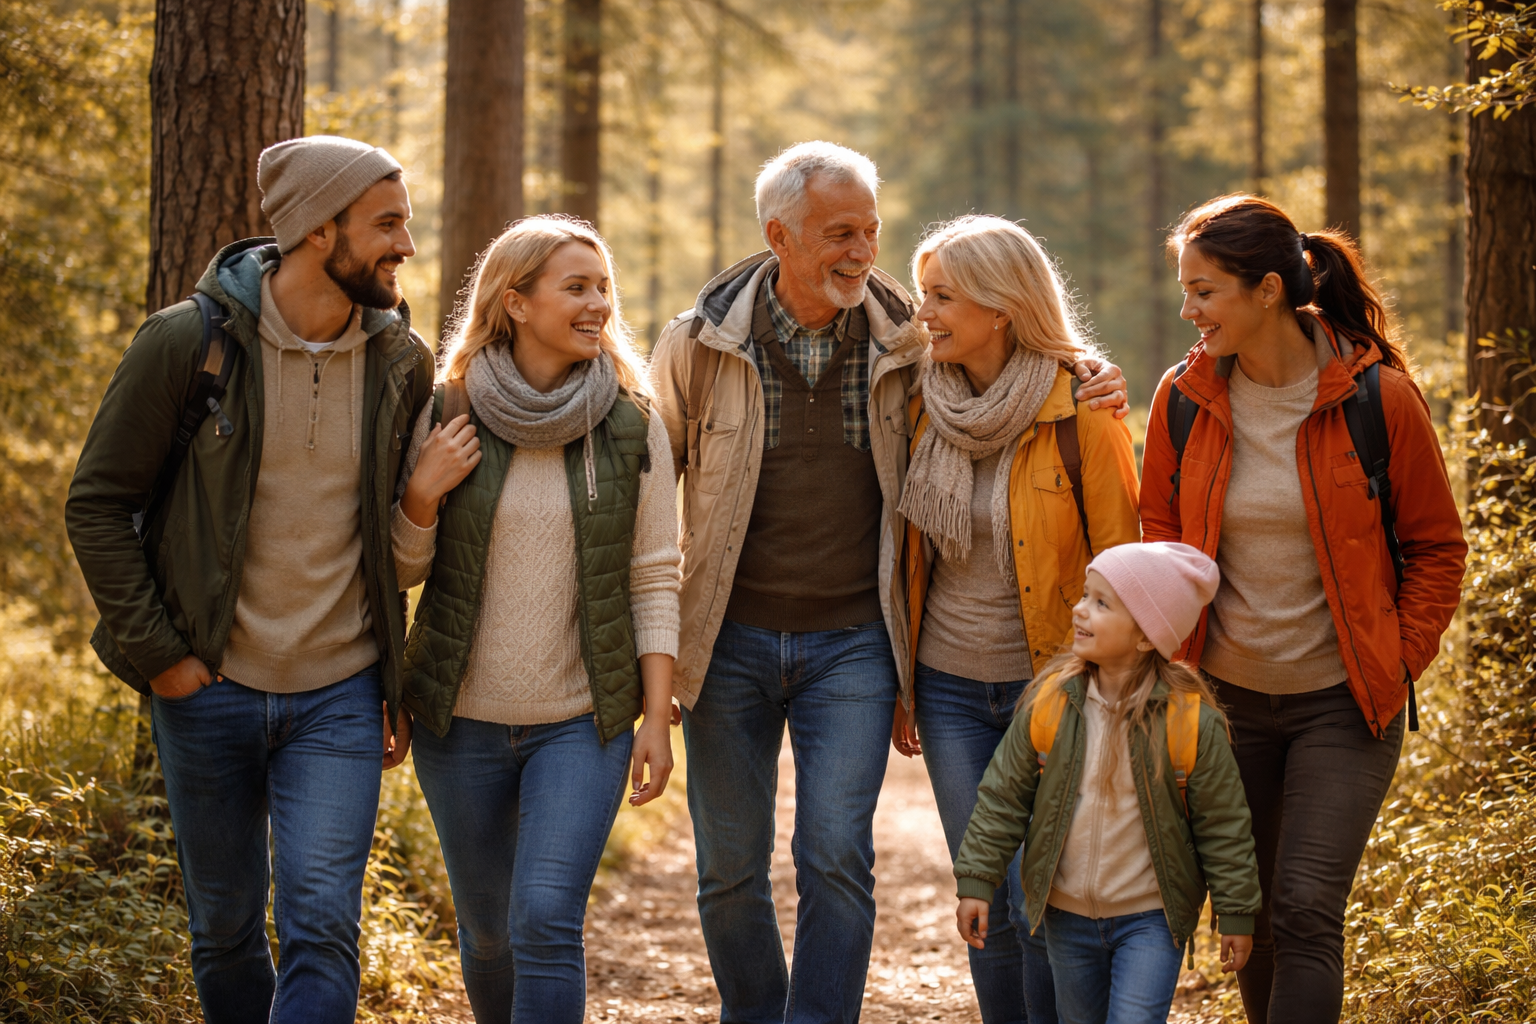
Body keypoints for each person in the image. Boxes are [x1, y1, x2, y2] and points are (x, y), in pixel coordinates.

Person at [650, 141, 1130, 1024]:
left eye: (871, 229)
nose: (862, 250)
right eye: (840, 232)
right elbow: (647, 493)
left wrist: (1091, 376)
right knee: (727, 870)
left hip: (855, 645)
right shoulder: (697, 345)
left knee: (836, 853)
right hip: (728, 641)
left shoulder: (910, 347)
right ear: (779, 235)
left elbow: (1017, 365)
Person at [66, 136, 430, 1023]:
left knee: (323, 924)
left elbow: (398, 543)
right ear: (317, 229)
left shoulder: (401, 364)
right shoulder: (185, 344)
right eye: (386, 225)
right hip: (206, 688)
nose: (407, 247)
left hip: (339, 696)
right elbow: (98, 505)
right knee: (225, 930)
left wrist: (391, 680)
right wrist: (165, 663)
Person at [1140, 194, 1468, 1024]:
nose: (1189, 311)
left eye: (1205, 290)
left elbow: (1437, 547)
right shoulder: (1183, 398)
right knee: (1249, 918)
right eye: (1186, 290)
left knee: (1306, 909)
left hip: (1343, 704)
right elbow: (1163, 531)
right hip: (1227, 705)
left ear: (1268, 292)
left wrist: (1398, 659)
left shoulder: (1378, 400)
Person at [391, 215, 681, 1024]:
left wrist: (656, 720)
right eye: (576, 287)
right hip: (460, 724)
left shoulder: (632, 423)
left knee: (546, 921)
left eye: (603, 288)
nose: (598, 304)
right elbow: (402, 573)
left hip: (580, 725)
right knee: (488, 934)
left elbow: (656, 576)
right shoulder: (447, 411)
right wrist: (420, 493)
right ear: (515, 302)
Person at [890, 215, 1142, 1024]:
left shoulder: (1084, 414)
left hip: (1053, 688)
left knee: (1046, 891)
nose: (923, 312)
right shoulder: (917, 401)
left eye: (942, 296)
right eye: (923, 292)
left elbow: (1122, 562)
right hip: (950, 688)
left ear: (1001, 308)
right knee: (986, 888)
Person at [953, 542, 1262, 1024]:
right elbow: (1002, 798)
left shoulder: (1189, 723)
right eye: (1084, 595)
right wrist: (977, 880)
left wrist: (1237, 912)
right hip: (1066, 918)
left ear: (1145, 636)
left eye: (1101, 603)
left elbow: (1224, 826)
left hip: (1151, 921)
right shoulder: (1052, 703)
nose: (1080, 610)